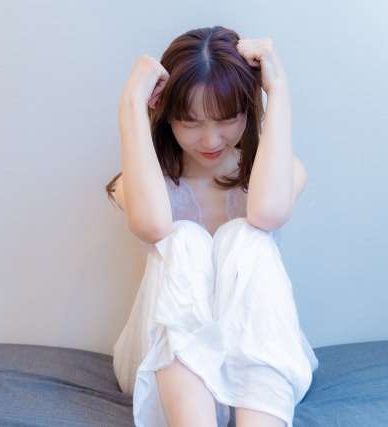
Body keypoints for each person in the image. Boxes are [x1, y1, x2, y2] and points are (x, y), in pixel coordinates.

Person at [105, 26, 319, 427]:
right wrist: (131, 104)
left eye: (227, 119)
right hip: (161, 364)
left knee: (247, 234)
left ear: (247, 109)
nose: (210, 140)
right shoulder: (140, 183)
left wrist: (279, 90)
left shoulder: (278, 174)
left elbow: (267, 214)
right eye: (190, 122)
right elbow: (153, 226)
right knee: (183, 237)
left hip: (258, 357)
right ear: (167, 115)